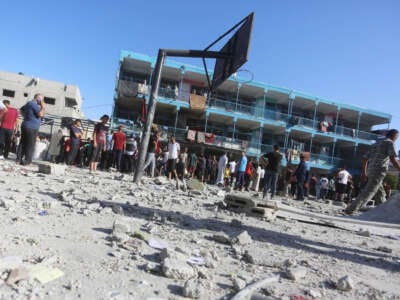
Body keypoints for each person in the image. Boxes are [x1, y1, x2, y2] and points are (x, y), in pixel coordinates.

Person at [345, 129, 400, 214]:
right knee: (369, 192)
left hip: (370, 170)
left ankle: (384, 211)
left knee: (380, 192)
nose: (397, 139)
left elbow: (365, 159)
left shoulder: (376, 143)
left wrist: (364, 172)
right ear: (394, 136)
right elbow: (393, 159)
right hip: (379, 171)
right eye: (397, 137)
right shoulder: (390, 143)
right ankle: (351, 209)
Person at [19, 94, 45, 165]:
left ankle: (19, 159)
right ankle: (28, 161)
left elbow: (21, 110)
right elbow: (41, 114)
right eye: (42, 99)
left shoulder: (29, 103)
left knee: (23, 143)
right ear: (38, 98)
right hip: (32, 127)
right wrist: (43, 106)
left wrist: (26, 117)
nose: (42, 101)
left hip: (26, 125)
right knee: (30, 145)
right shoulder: (33, 104)